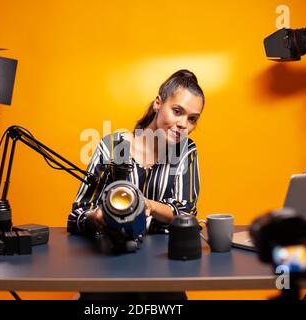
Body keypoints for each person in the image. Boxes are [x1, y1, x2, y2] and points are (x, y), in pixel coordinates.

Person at [67, 69, 205, 300]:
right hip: (109, 262)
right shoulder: (113, 147)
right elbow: (77, 215)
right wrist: (97, 217)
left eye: (192, 119)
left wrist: (146, 205)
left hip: (164, 268)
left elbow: (185, 215)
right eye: (177, 111)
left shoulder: (186, 150)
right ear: (158, 104)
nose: (184, 124)